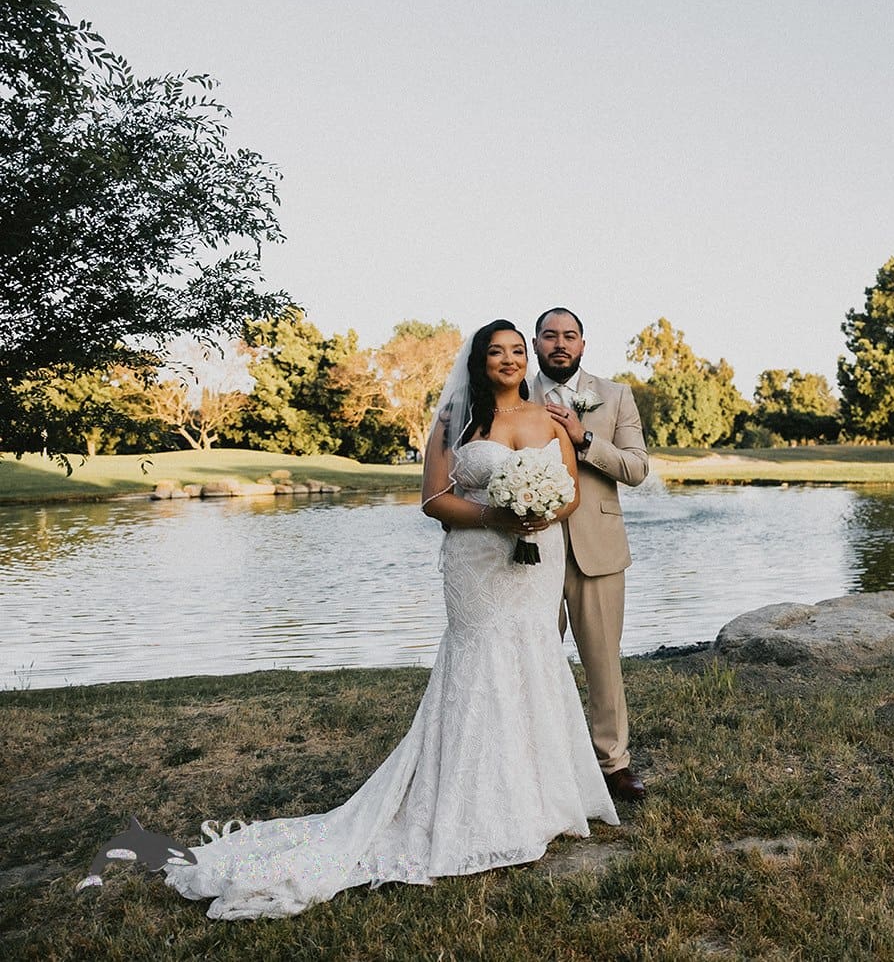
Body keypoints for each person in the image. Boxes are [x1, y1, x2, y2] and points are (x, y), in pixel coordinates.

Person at [165, 319, 617, 920]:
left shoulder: (548, 418)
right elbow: (433, 499)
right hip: (477, 562)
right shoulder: (455, 420)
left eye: (516, 351)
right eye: (496, 351)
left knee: (533, 657)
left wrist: (536, 514)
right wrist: (496, 517)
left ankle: (541, 799)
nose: (509, 360)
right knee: (480, 664)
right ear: (480, 360)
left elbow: (571, 494)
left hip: (537, 562)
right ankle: (470, 803)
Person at [531, 307, 651, 802]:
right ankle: (538, 760)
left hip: (597, 550)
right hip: (529, 550)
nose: (560, 343)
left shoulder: (615, 396)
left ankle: (613, 763)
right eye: (550, 335)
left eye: (570, 336)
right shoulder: (514, 394)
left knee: (602, 662)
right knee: (531, 659)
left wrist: (584, 439)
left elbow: (637, 468)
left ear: (583, 344)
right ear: (535, 343)